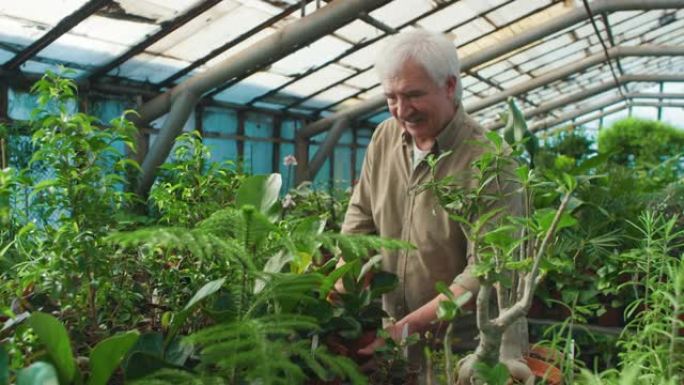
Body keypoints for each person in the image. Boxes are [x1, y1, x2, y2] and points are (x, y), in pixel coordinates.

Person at [337, 29, 522, 378]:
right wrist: (342, 281)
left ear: (450, 86)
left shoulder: (491, 162)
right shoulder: (384, 137)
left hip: (463, 350)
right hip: (392, 337)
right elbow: (360, 215)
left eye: (413, 95)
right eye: (391, 96)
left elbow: (487, 271)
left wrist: (406, 329)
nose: (401, 110)